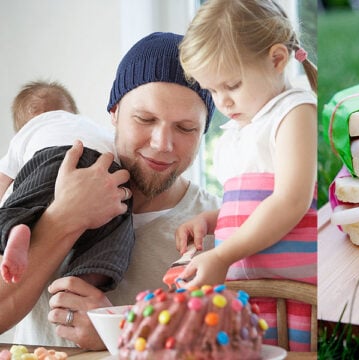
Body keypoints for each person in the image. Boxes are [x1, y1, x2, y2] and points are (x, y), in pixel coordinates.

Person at [0, 32, 219, 350]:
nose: (162, 144)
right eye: (145, 119)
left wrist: (123, 335)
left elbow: (234, 343)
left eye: (186, 128)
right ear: (114, 112)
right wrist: (63, 218)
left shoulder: (219, 230)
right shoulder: (45, 183)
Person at [177, 0, 318, 351]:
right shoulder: (239, 131)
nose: (221, 102)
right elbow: (251, 202)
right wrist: (214, 220)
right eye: (211, 90)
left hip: (296, 295)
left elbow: (290, 200)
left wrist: (223, 256)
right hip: (250, 297)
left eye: (232, 85)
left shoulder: (294, 112)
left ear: (276, 60)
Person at [0, 81, 134, 289]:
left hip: (51, 158)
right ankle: (90, 275)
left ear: (22, 125)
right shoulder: (90, 125)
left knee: (21, 203)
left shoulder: (27, 133)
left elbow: (3, 180)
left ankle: (15, 228)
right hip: (106, 166)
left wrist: (8, 209)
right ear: (72, 112)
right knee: (118, 224)